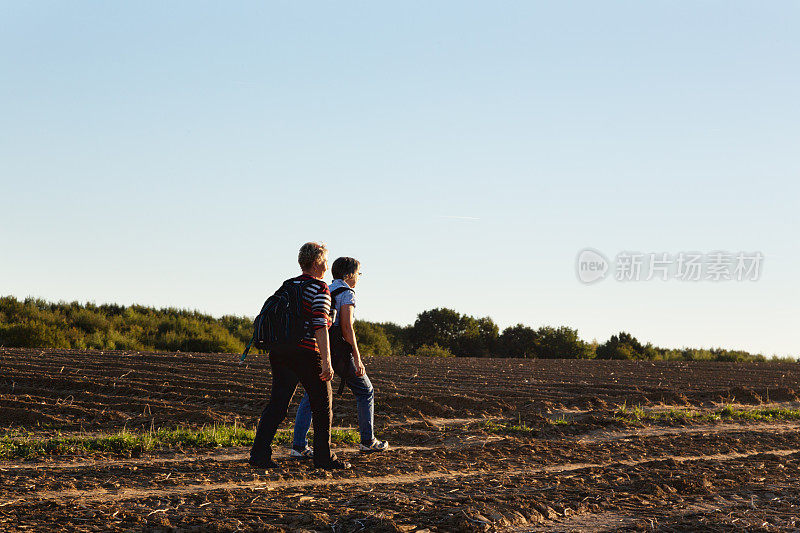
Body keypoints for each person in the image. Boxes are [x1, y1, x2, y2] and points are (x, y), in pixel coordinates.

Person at [249, 242, 350, 470]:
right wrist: (326, 361)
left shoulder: (287, 285)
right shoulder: (320, 288)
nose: (326, 265)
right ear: (316, 263)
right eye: (324, 261)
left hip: (280, 352)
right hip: (306, 352)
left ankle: (259, 454)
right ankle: (324, 458)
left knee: (278, 404)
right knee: (323, 406)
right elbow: (320, 325)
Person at [290, 256, 389, 458]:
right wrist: (357, 357)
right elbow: (347, 327)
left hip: (320, 349)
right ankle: (368, 441)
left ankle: (299, 446)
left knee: (311, 396)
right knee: (366, 391)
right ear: (348, 275)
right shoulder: (348, 293)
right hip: (340, 354)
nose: (359, 277)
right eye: (358, 273)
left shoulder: (326, 288)